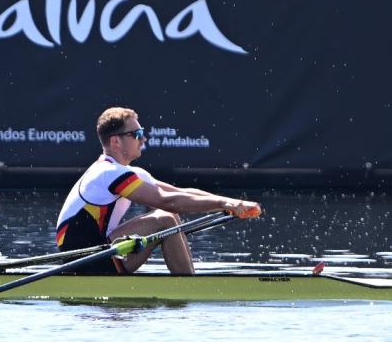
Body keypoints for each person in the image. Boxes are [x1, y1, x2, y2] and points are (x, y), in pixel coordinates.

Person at [55, 106, 262, 275]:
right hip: (84, 260)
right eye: (136, 134)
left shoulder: (128, 172)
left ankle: (187, 281)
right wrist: (224, 204)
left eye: (142, 133)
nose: (143, 139)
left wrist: (232, 202)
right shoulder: (108, 173)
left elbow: (180, 193)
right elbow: (166, 201)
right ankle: (189, 289)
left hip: (101, 253)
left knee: (169, 217)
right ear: (115, 141)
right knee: (165, 218)